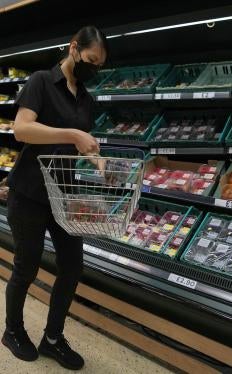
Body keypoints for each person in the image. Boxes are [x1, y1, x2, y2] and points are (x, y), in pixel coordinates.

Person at [1, 25, 107, 371]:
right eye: (91, 60)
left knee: (72, 267)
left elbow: (79, 144)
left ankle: (52, 338)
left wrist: (97, 158)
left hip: (63, 195)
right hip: (29, 192)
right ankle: (13, 331)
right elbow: (22, 129)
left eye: (99, 65)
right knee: (26, 267)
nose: (94, 68)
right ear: (74, 48)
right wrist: (73, 132)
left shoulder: (86, 98)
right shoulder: (40, 82)